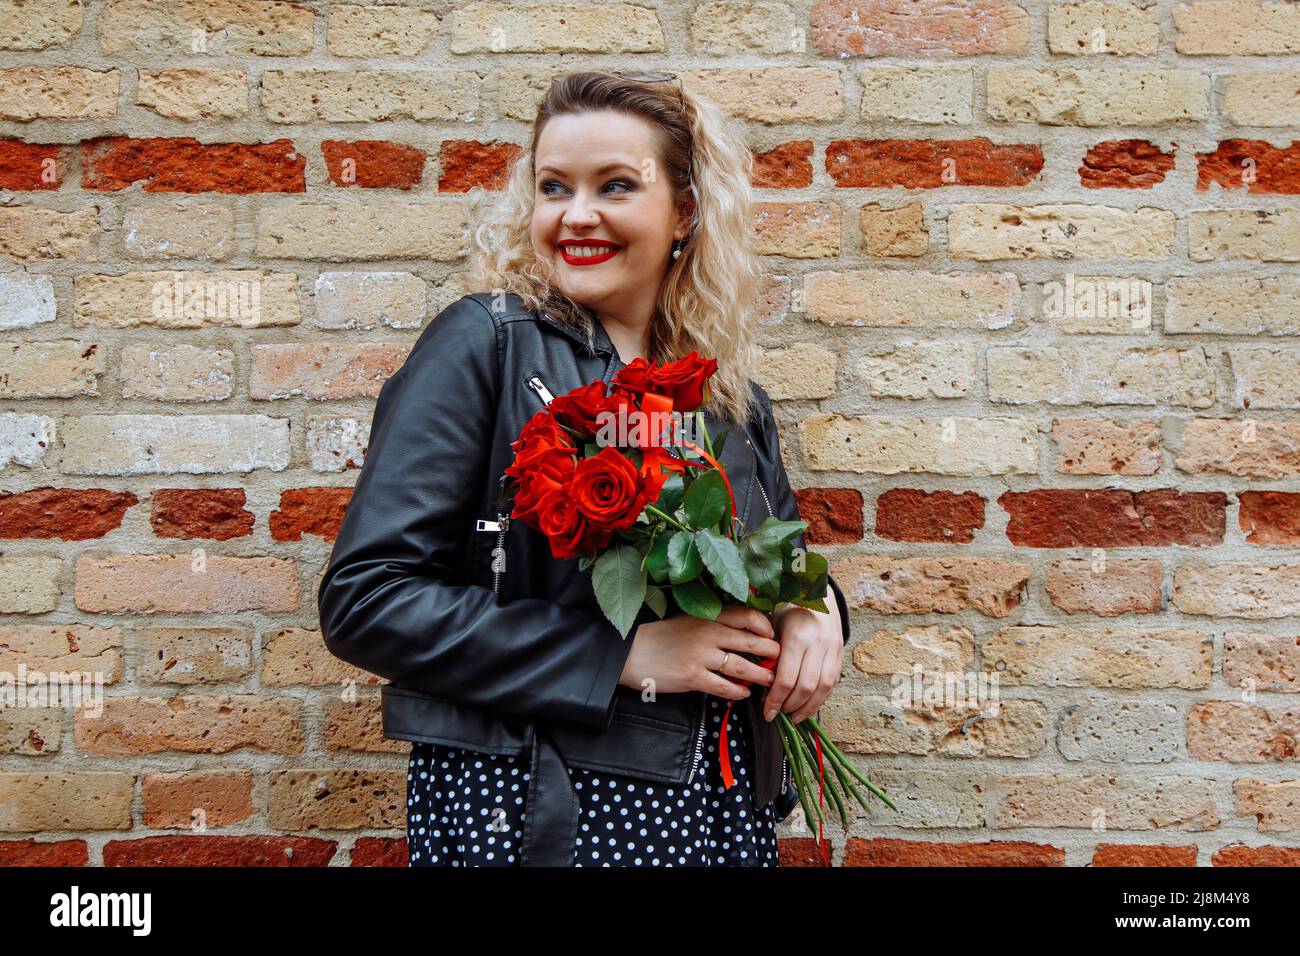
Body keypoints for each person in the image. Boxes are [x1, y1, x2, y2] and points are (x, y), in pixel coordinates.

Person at [317, 70, 851, 867]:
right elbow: (368, 599)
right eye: (553, 186)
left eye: (616, 186)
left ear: (686, 212)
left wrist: (817, 611)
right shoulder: (486, 347)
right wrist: (621, 658)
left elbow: (781, 564)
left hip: (721, 814)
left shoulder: (727, 397)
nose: (576, 216)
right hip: (546, 808)